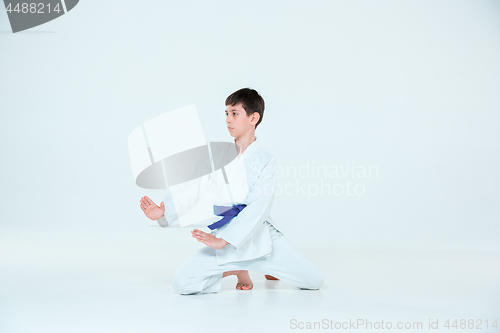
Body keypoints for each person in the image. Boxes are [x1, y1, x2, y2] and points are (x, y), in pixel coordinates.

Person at [139, 88, 324, 294]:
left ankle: (262, 266)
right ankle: (237, 268)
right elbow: (191, 186)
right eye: (226, 113)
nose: (228, 119)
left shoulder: (265, 161)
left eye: (235, 113)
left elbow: (259, 206)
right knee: (183, 284)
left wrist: (224, 240)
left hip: (260, 237)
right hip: (226, 233)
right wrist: (163, 212)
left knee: (313, 280)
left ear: (253, 118)